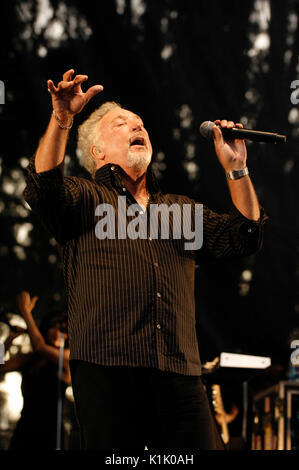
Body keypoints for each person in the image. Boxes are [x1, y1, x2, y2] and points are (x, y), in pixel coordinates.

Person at [23, 69, 267, 451]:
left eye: (139, 123)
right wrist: (62, 119)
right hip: (107, 372)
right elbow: (44, 186)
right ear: (97, 152)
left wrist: (236, 168)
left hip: (180, 372)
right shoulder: (85, 199)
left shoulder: (179, 211)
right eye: (120, 123)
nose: (136, 126)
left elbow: (245, 234)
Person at [0, 291, 70, 449]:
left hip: (51, 435)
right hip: (25, 430)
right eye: (54, 328)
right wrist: (8, 339)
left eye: (64, 331)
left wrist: (26, 313)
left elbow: (39, 346)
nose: (59, 334)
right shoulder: (31, 358)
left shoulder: (66, 358)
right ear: (45, 329)